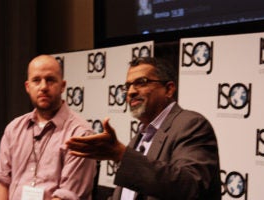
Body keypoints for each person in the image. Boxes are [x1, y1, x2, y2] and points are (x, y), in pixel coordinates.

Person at [66, 57, 221, 200]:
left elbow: (189, 187)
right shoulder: (140, 137)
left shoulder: (191, 124)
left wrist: (121, 155)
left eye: (142, 82)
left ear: (168, 89)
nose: (131, 92)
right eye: (128, 86)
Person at [0, 55, 97, 200]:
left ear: (63, 86)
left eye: (50, 80)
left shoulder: (81, 134)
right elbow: (2, 180)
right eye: (36, 80)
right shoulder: (14, 129)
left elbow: (67, 196)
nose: (44, 87)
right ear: (28, 87)